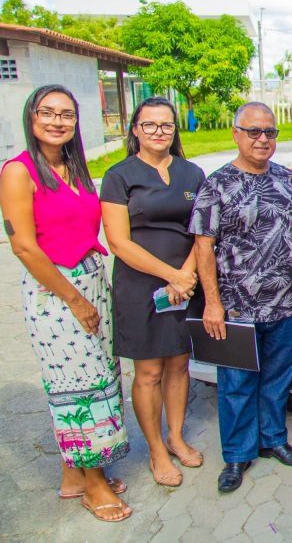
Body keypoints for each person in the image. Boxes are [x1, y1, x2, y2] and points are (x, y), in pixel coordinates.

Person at [0, 85, 131, 522]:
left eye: (67, 115)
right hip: (56, 291)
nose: (57, 121)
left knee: (99, 377)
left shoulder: (75, 167)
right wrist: (75, 300)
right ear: (31, 117)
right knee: (77, 384)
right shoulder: (18, 171)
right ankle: (94, 485)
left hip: (91, 282)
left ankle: (73, 475)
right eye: (47, 112)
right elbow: (23, 246)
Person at [190, 102, 292, 492]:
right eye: (254, 131)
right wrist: (212, 302)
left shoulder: (287, 180)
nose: (263, 139)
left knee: (278, 377)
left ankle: (273, 439)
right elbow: (203, 246)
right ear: (236, 134)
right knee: (237, 384)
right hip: (236, 307)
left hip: (285, 303)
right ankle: (237, 455)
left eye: (270, 132)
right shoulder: (217, 185)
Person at [100, 97, 205, 487]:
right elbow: (119, 242)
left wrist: (187, 275)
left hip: (184, 283)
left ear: (175, 130)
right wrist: (170, 276)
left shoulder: (192, 174)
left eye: (166, 125)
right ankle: (156, 450)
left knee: (179, 364)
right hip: (141, 285)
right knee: (148, 371)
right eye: (150, 125)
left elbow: (202, 232)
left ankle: (176, 437)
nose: (159, 132)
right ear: (135, 130)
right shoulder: (119, 176)